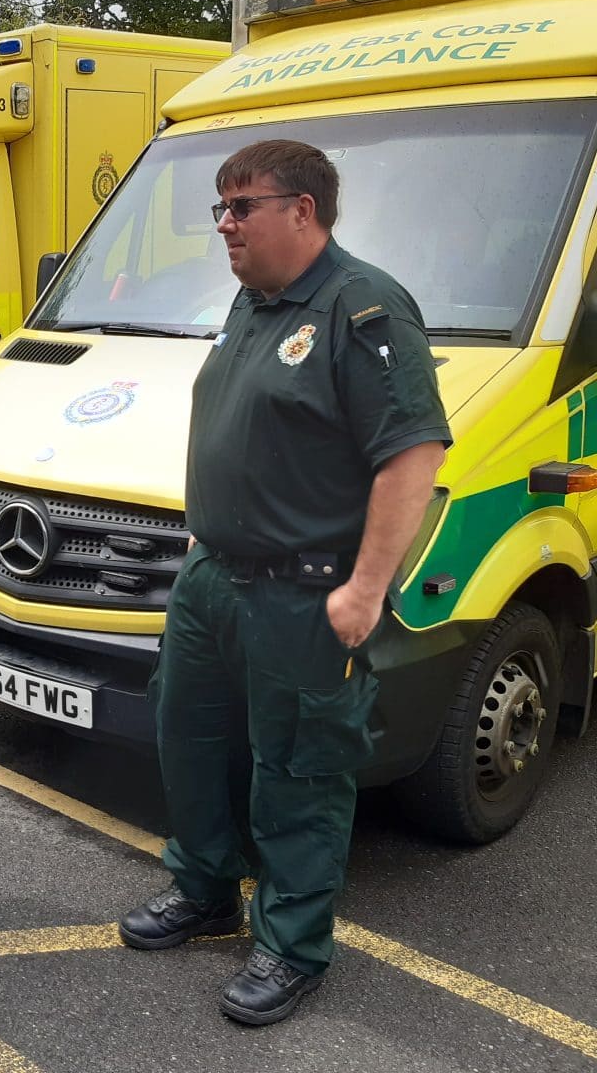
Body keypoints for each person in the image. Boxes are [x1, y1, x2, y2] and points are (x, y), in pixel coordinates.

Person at [116, 140, 450, 1024]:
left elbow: (412, 454)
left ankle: (292, 943)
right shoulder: (253, 302)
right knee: (187, 742)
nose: (223, 224)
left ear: (302, 210)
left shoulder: (362, 307)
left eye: (240, 207)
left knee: (299, 772)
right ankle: (204, 892)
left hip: (304, 594)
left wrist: (366, 589)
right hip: (215, 580)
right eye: (218, 208)